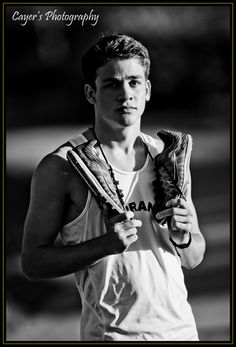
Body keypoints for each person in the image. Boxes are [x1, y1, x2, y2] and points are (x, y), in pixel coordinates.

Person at [21, 33, 206, 341]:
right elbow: (32, 263)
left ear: (147, 89)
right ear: (90, 93)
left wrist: (184, 236)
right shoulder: (62, 166)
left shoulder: (168, 158)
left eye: (134, 82)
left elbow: (193, 256)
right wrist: (104, 246)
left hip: (181, 334)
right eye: (112, 84)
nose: (125, 94)